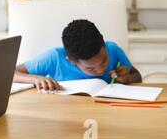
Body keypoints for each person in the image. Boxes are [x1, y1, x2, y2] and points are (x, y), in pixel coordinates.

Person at [13, 19, 142, 92]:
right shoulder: (54, 58)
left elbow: (137, 76)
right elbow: (10, 73)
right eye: (90, 69)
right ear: (71, 61)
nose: (101, 70)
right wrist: (36, 79)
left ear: (103, 40)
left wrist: (128, 78)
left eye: (104, 60)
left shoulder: (113, 49)